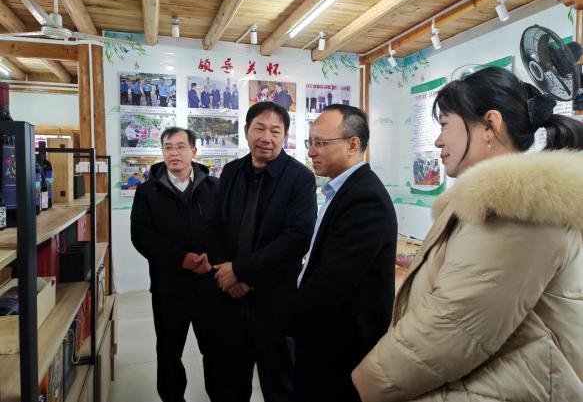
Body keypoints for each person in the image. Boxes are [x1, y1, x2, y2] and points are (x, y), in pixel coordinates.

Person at [352, 67, 583, 401]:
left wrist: (366, 384)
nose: (438, 140)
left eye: (445, 124)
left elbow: (449, 328)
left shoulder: (516, 213)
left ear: (490, 125)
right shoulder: (491, 206)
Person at [202, 101, 317, 402]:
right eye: (259, 128)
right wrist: (226, 271)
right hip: (229, 298)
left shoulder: (300, 178)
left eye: (275, 131)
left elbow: (297, 238)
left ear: (285, 136)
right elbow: (213, 226)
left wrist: (240, 272)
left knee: (279, 386)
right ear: (246, 131)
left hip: (275, 301)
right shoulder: (231, 172)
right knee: (228, 383)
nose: (266, 137)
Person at [287, 104, 397, 402]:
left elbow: (332, 280)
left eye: (321, 143)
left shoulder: (365, 198)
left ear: (352, 144)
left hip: (342, 347)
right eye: (311, 142)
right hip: (325, 337)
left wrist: (288, 321)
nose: (311, 151)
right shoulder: (344, 190)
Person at [130, 127, 220, 402]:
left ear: (194, 151)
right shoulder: (147, 191)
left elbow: (225, 230)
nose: (174, 153)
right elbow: (141, 236)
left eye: (181, 147)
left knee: (215, 349)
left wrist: (211, 258)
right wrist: (180, 258)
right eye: (168, 147)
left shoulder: (214, 187)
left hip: (209, 284)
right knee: (169, 351)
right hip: (168, 285)